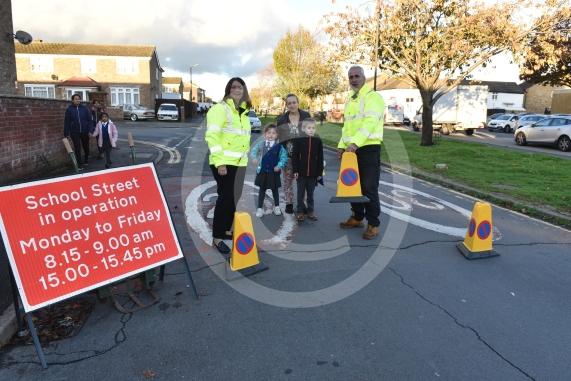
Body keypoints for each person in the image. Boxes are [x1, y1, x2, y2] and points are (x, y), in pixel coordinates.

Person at [205, 77, 252, 254]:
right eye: (234, 87)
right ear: (228, 90)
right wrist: (220, 163)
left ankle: (225, 230)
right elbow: (212, 136)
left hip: (240, 164)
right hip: (224, 163)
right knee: (225, 199)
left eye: (240, 87)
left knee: (234, 198)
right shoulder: (220, 109)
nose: (237, 90)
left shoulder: (244, 112)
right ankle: (217, 237)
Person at [338, 66, 385, 240]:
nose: (354, 79)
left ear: (364, 77)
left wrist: (354, 143)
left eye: (357, 76)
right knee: (351, 186)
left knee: (368, 188)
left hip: (368, 148)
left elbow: (370, 123)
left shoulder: (373, 97)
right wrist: (342, 146)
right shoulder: (350, 99)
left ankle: (373, 224)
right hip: (352, 148)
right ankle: (357, 217)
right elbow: (347, 127)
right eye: (350, 77)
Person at [276, 94, 311, 214]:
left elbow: (310, 134)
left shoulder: (306, 115)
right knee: (287, 180)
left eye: (294, 102)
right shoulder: (282, 120)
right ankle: (289, 203)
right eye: (289, 103)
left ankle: (303, 203)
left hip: (303, 156)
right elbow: (280, 140)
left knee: (303, 181)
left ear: (298, 102)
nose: (292, 105)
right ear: (286, 105)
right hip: (289, 155)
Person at [250, 124, 288, 218]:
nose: (271, 135)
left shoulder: (279, 147)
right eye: (269, 133)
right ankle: (259, 208)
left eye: (273, 133)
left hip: (274, 172)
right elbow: (253, 151)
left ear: (277, 135)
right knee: (262, 190)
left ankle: (277, 206)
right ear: (265, 134)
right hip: (263, 172)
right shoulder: (261, 144)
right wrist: (254, 158)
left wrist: (279, 165)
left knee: (275, 190)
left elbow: (284, 157)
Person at [292, 118, 324, 222]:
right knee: (300, 194)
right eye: (309, 128)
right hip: (301, 173)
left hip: (313, 174)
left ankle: (310, 211)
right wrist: (295, 170)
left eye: (313, 128)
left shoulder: (318, 141)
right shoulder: (299, 140)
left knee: (311, 194)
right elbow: (295, 157)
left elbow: (320, 158)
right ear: (304, 129)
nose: (311, 130)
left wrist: (319, 173)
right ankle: (300, 212)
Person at [64, 94, 93, 167]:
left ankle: (86, 159)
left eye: (78, 99)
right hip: (74, 131)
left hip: (85, 131)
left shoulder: (84, 108)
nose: (77, 100)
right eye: (76, 99)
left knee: (85, 146)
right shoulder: (69, 109)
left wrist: (90, 130)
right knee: (77, 147)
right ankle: (79, 163)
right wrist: (66, 133)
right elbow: (66, 122)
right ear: (72, 100)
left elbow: (89, 120)